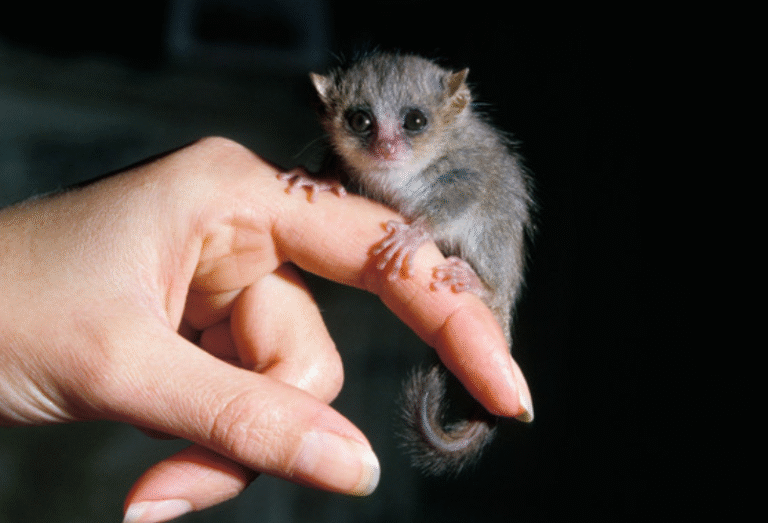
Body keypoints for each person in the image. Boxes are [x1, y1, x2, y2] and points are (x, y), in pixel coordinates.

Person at [0, 137, 532, 523]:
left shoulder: (461, 165)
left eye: (411, 124)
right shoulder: (358, 151)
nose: (387, 144)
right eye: (363, 123)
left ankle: (479, 288)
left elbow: (460, 194)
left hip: (471, 249)